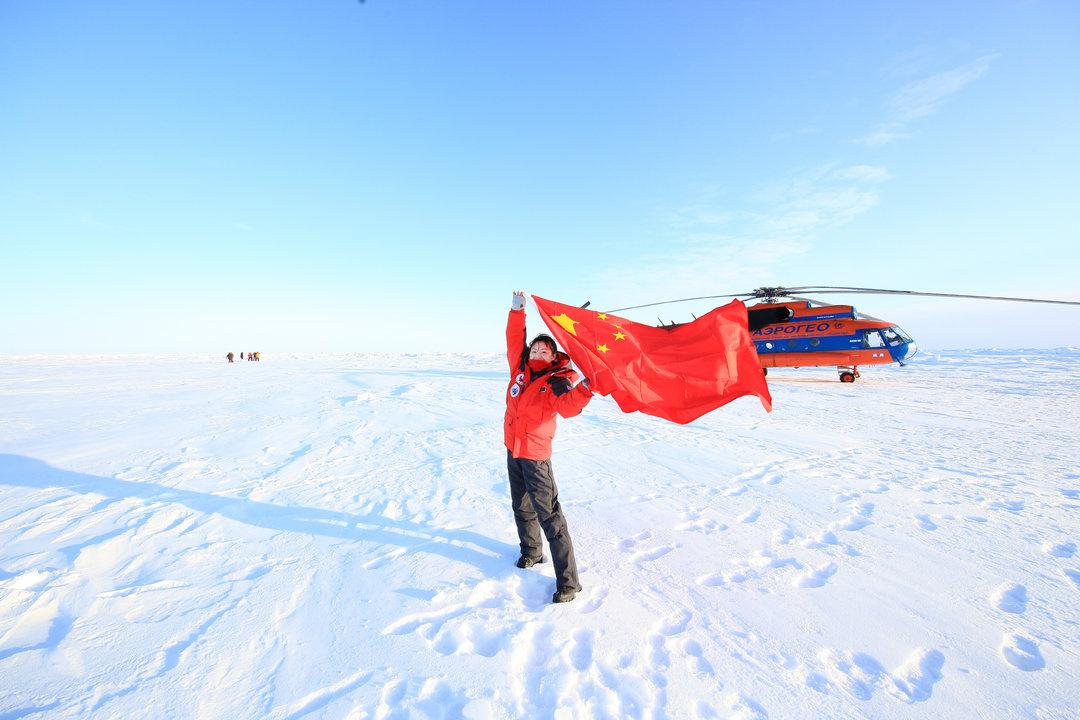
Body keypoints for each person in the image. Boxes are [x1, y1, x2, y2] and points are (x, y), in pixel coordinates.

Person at [504, 291, 592, 603]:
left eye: (545, 349)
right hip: (513, 450)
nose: (539, 351)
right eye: (535, 348)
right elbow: (515, 338)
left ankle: (569, 582)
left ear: (553, 355)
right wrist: (518, 312)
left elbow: (568, 407)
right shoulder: (520, 369)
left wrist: (585, 387)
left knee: (551, 518)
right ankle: (531, 552)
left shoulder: (558, 378)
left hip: (536, 458)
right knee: (521, 507)